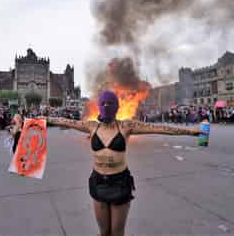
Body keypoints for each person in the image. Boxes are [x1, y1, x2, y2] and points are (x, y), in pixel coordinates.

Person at [42, 90, 202, 236]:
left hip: (119, 183)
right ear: (99, 106)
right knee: (104, 232)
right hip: (98, 183)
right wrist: (43, 119)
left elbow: (160, 128)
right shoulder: (92, 126)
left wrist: (190, 131)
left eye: (110, 103)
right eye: (103, 104)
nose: (106, 106)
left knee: (117, 233)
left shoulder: (126, 126)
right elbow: (64, 122)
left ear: (117, 107)